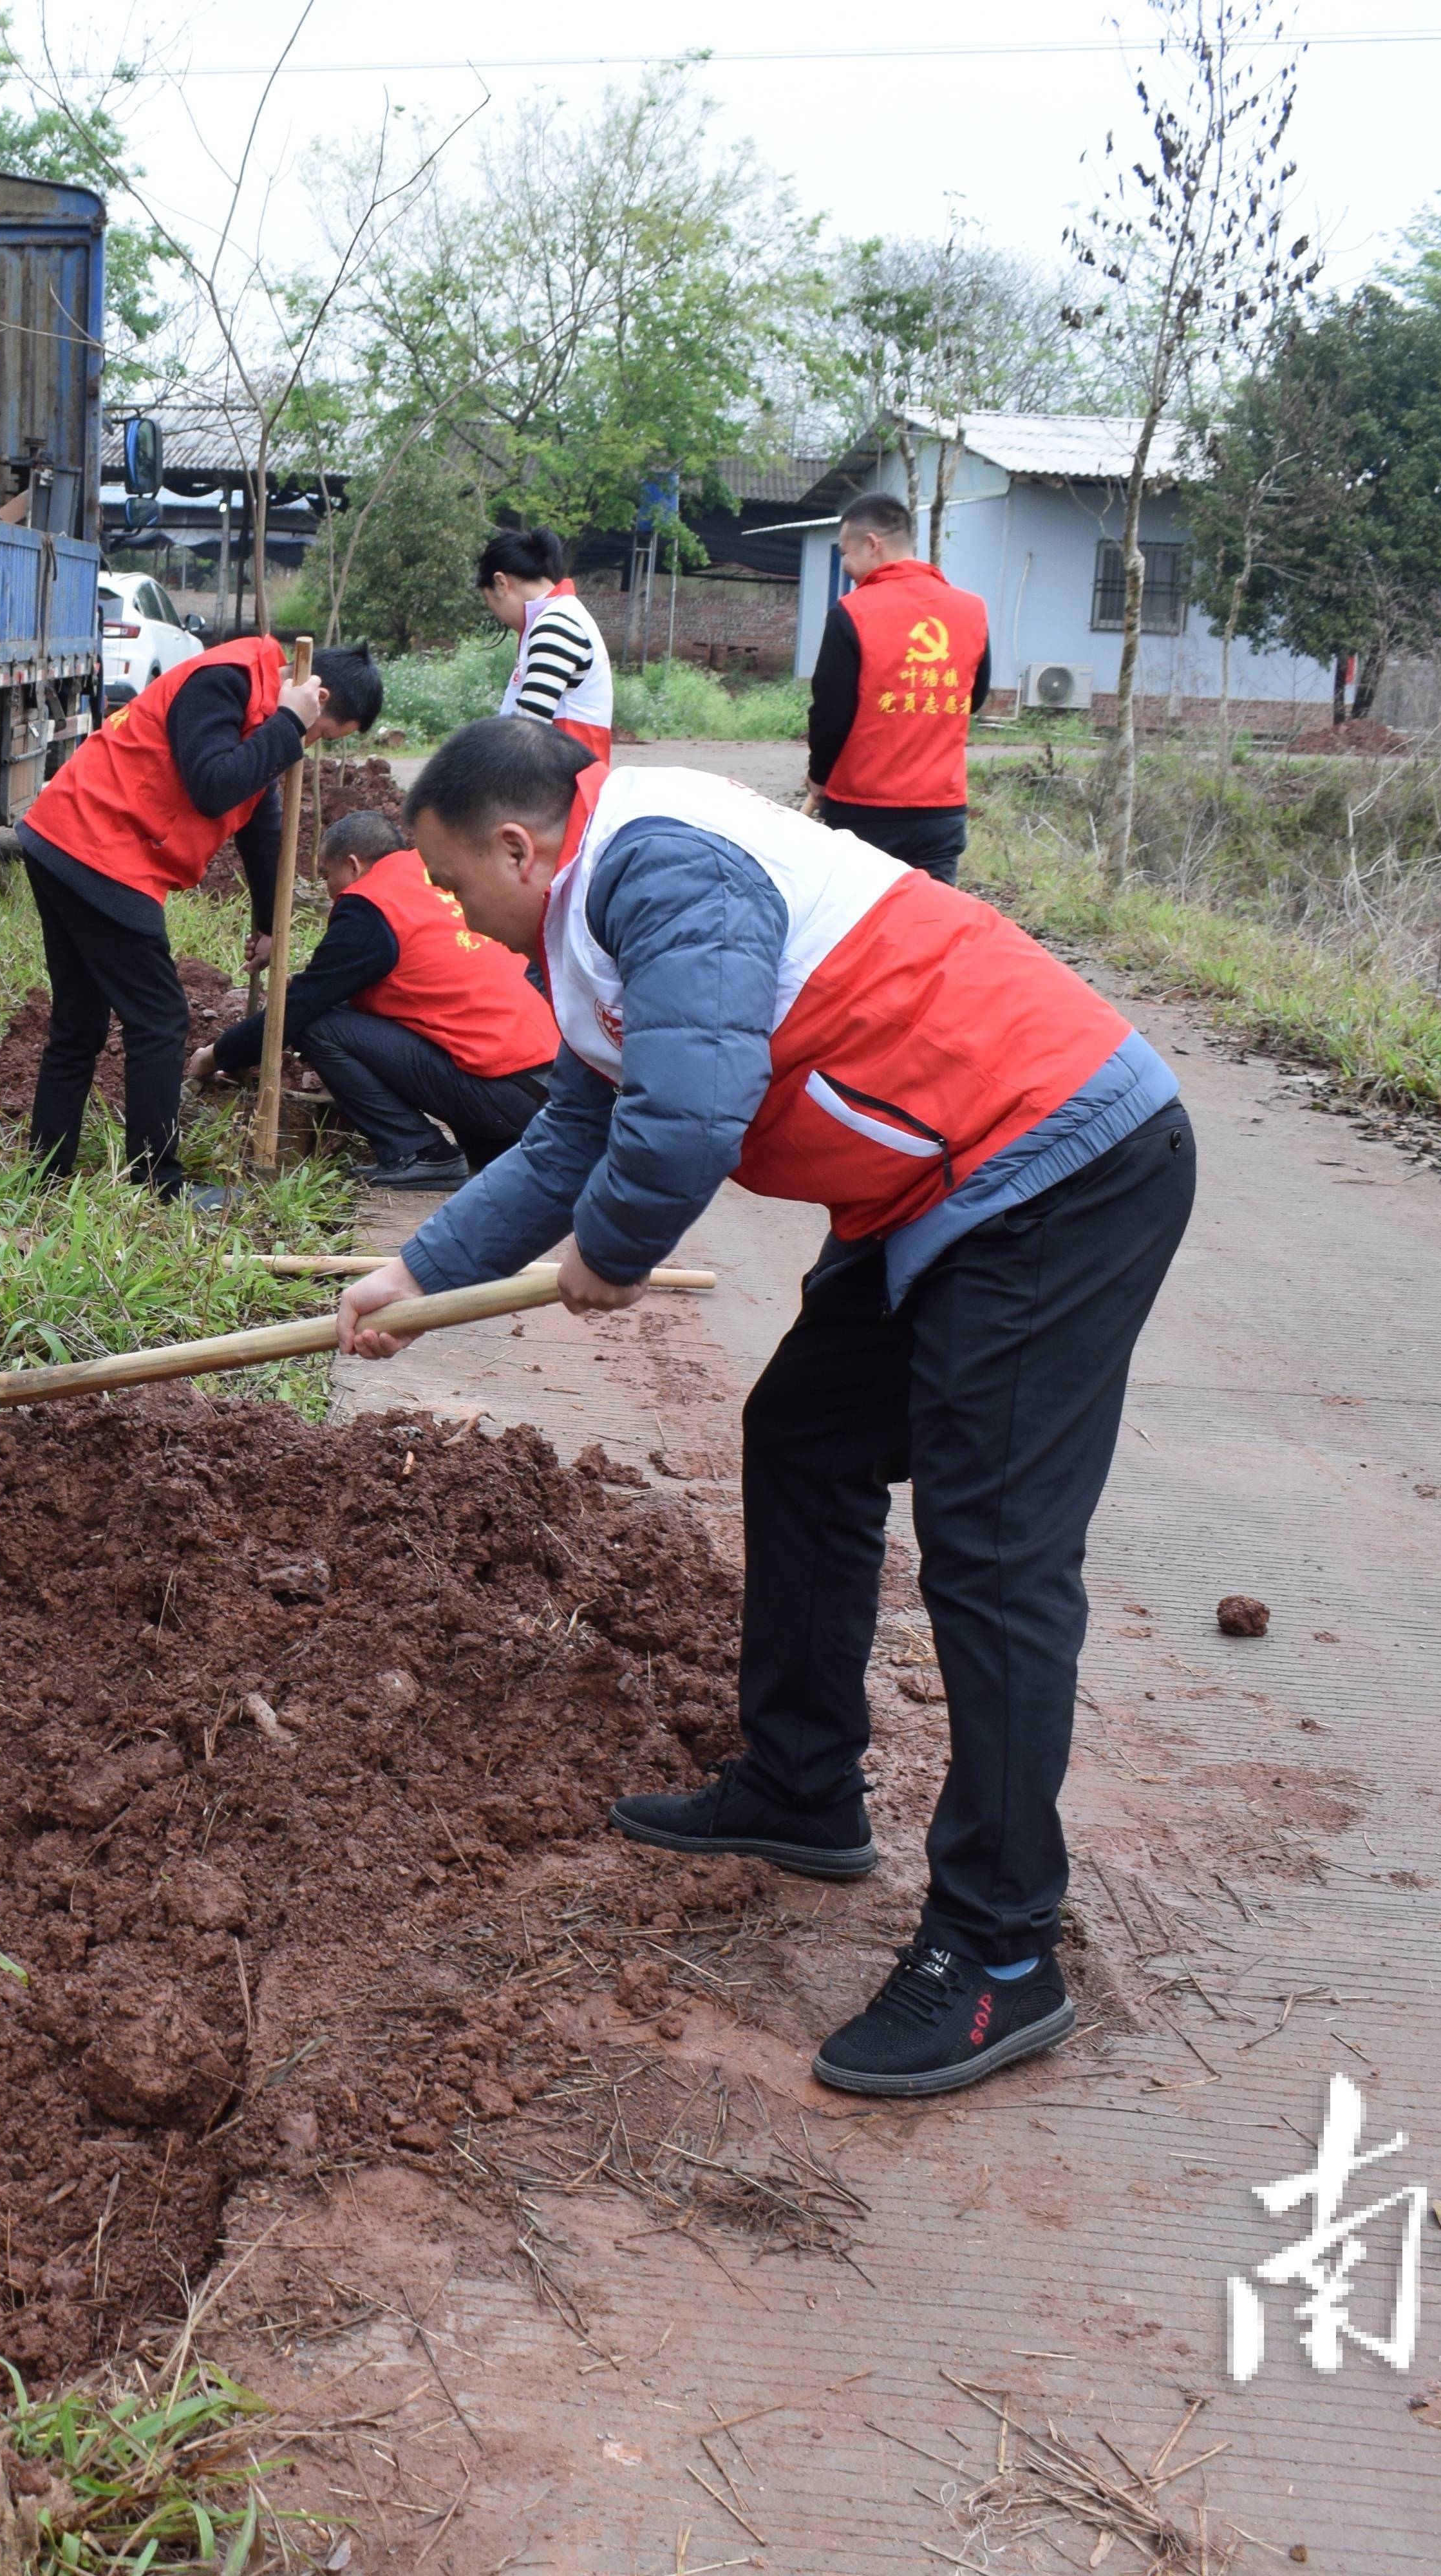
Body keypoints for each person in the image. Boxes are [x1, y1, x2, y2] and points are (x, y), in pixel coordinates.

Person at [336, 719, 1194, 2099]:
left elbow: (689, 1118)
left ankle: (1002, 1946)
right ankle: (803, 1784)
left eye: (448, 887)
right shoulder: (597, 903)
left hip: (1055, 1161)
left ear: (517, 845)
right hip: (946, 1182)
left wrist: (610, 1252)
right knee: (806, 1437)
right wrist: (415, 1271)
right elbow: (581, 1128)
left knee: (993, 1549)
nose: (451, 917)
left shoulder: (656, 868)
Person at [13, 634, 382, 1196]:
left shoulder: (261, 706)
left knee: (79, 1022)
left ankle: (46, 1173)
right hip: (98, 847)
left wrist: (268, 923)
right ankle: (158, 1185)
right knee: (159, 1020)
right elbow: (212, 787)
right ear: (319, 699)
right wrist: (288, 725)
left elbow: (260, 821)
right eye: (323, 733)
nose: (312, 743)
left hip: (68, 840)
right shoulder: (226, 681)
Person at [188, 808, 560, 1191]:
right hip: (550, 1085)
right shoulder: (431, 874)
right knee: (351, 1010)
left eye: (326, 875)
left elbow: (298, 1008)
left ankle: (420, 1153)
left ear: (352, 865)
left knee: (318, 1025)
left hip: (502, 1092)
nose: (329, 889)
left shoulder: (372, 906)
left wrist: (216, 1055)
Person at [805, 493, 990, 884]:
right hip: (940, 814)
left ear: (872, 544)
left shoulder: (851, 614)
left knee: (858, 926)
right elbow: (973, 699)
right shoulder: (972, 610)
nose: (846, 565)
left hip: (863, 812)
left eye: (845, 553)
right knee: (930, 924)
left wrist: (818, 775)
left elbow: (831, 714)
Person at [478, 527, 616, 770]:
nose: (498, 616)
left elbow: (527, 731)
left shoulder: (555, 625)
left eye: (490, 601)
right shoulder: (563, 615)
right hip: (565, 779)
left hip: (559, 787)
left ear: (501, 583)